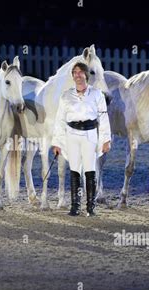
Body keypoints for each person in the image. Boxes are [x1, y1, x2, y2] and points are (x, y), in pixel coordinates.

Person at [51, 62, 111, 216]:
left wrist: (106, 139)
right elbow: (60, 120)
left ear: (86, 75)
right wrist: (57, 143)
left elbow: (103, 118)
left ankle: (91, 207)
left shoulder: (97, 94)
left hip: (90, 134)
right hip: (72, 134)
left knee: (90, 170)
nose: (77, 75)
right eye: (75, 72)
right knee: (75, 170)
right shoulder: (66, 96)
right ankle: (75, 206)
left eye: (80, 72)